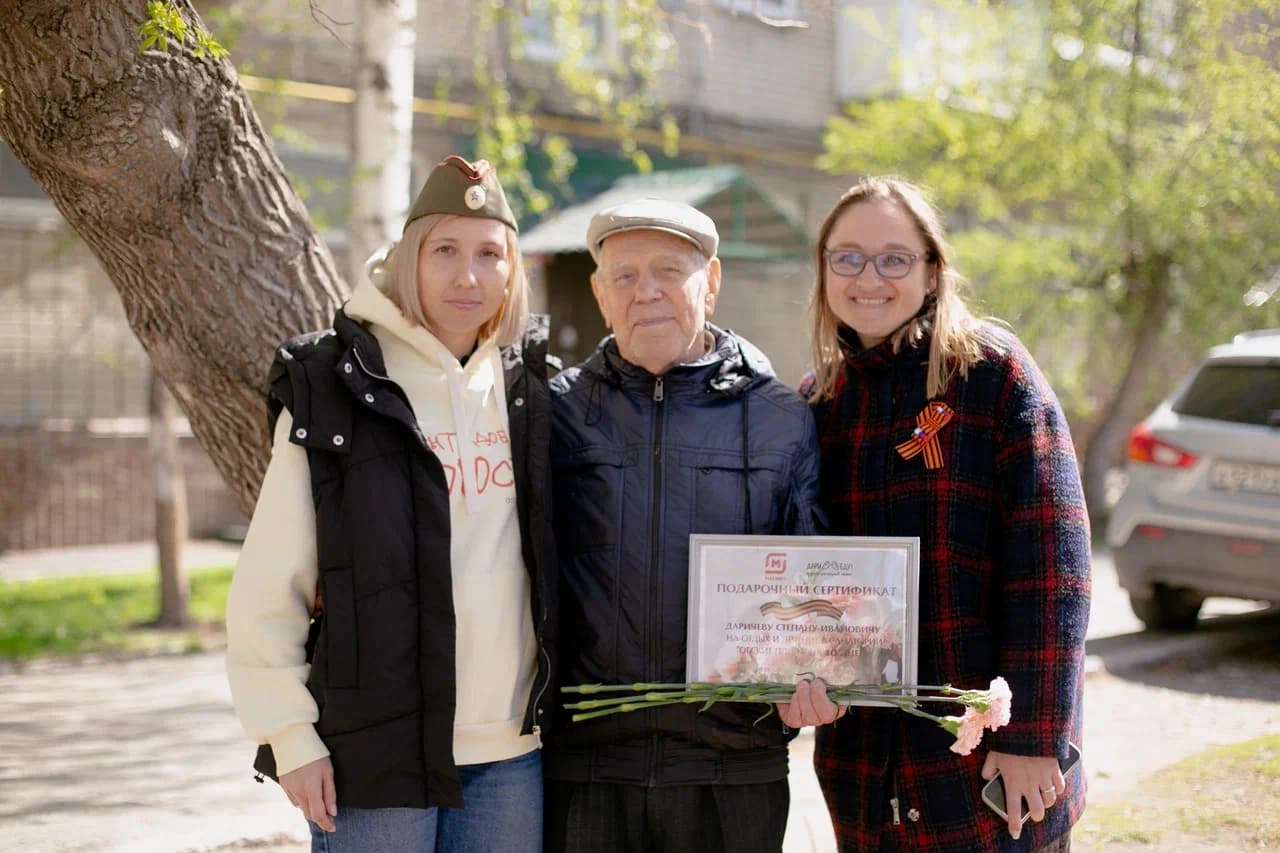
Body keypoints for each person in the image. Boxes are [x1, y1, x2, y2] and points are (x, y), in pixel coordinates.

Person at [225, 155, 557, 852]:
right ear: (409, 260)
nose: (467, 275)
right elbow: (270, 578)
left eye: (488, 253)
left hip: (510, 757)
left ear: (510, 269)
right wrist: (290, 734)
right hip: (374, 757)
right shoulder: (338, 385)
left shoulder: (532, 388)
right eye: (445, 250)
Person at [801, 175, 1091, 852]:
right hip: (862, 770)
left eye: (893, 258)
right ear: (823, 271)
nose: (868, 277)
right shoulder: (816, 404)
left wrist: (1033, 737)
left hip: (989, 769)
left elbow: (1055, 570)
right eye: (847, 256)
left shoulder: (993, 375)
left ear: (932, 272)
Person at [542, 198, 824, 853]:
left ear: (713, 281)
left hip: (734, 769)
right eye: (625, 275)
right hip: (585, 769)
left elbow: (814, 572)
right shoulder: (556, 413)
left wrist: (819, 676)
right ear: (599, 294)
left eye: (670, 269)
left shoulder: (782, 416)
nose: (647, 292)